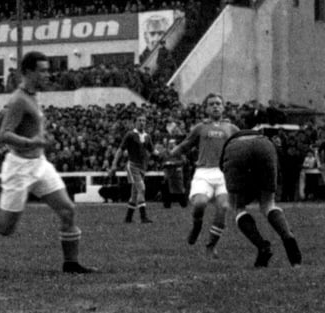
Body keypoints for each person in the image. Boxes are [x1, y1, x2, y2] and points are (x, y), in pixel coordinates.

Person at [0, 51, 96, 274]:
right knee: (4, 227)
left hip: (39, 164)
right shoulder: (19, 99)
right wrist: (33, 141)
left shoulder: (30, 95)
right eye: (42, 70)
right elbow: (7, 134)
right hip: (20, 167)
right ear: (28, 72)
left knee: (67, 210)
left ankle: (71, 263)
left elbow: (2, 118)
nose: (47, 75)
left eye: (47, 70)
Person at [167, 93, 238, 259]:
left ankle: (211, 246)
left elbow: (243, 145)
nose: (215, 106)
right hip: (204, 173)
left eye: (218, 104)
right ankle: (196, 226)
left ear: (223, 107)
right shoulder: (200, 128)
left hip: (224, 174)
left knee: (224, 207)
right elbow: (186, 144)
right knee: (200, 204)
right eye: (212, 104)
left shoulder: (232, 128)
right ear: (206, 108)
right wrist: (173, 152)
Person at [220, 127, 302, 267]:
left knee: (238, 207)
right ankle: (289, 238)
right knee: (268, 204)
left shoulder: (229, 144)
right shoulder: (261, 136)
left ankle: (262, 246)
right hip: (265, 145)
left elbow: (225, 170)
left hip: (237, 149)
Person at [109, 114, 156, 223]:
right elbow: (120, 149)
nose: (142, 122)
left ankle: (128, 218)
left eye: (143, 120)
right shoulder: (130, 135)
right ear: (135, 122)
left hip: (142, 167)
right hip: (133, 165)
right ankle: (143, 217)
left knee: (135, 193)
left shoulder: (147, 136)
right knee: (142, 189)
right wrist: (114, 163)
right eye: (139, 120)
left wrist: (165, 153)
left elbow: (153, 150)